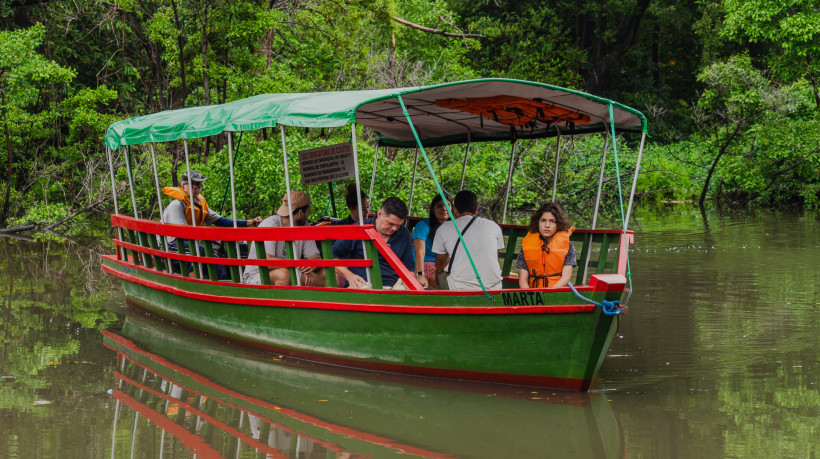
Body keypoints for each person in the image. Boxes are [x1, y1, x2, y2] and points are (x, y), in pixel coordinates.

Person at [162, 170, 262, 279]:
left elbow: (222, 221)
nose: (195, 187)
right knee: (201, 252)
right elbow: (183, 233)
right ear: (182, 186)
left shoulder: (199, 204)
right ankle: (195, 284)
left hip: (190, 242)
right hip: (172, 243)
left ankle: (223, 285)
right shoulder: (176, 206)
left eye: (198, 184)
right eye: (191, 184)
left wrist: (249, 223)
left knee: (216, 258)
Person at [243, 190, 325, 287]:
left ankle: (313, 299)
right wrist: (296, 265)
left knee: (325, 274)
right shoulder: (270, 225)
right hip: (258, 275)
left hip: (293, 270)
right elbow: (267, 261)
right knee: (283, 275)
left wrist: (311, 263)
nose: (308, 215)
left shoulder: (304, 226)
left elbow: (316, 257)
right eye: (308, 211)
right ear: (300, 213)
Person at [332, 197, 417, 289]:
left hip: (394, 285)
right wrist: (349, 276)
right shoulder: (358, 229)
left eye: (399, 225)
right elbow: (331, 256)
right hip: (363, 283)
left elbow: (409, 268)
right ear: (380, 214)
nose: (395, 229)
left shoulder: (404, 234)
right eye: (391, 224)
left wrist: (411, 290)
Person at [432, 190, 504, 290]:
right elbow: (494, 255)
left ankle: (442, 301)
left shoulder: (444, 228)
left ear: (455, 210)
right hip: (494, 287)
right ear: (476, 210)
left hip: (459, 288)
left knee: (441, 275)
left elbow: (440, 265)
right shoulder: (494, 226)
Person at [516, 202, 576, 289]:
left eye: (552, 221)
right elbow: (523, 279)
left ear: (558, 224)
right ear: (537, 223)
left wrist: (548, 295)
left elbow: (566, 279)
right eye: (543, 220)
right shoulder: (527, 245)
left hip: (557, 293)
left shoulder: (568, 245)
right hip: (534, 295)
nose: (547, 225)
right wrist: (530, 296)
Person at [411, 195, 450, 289]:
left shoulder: (454, 227)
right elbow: (420, 252)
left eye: (447, 205)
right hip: (427, 263)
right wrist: (420, 274)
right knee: (440, 283)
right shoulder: (424, 225)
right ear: (433, 209)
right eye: (439, 206)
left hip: (446, 265)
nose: (444, 209)